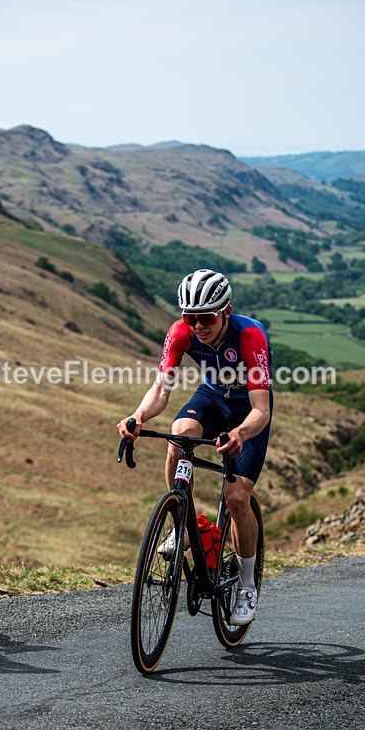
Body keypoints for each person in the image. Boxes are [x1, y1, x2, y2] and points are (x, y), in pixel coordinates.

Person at [117, 268, 272, 625]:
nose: (198, 325)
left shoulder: (250, 336)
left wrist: (240, 434)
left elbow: (261, 409)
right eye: (191, 317)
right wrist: (138, 416)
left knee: (236, 499)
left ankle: (247, 584)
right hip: (212, 398)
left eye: (207, 317)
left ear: (226, 312)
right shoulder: (181, 332)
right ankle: (185, 523)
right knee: (178, 435)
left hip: (247, 410)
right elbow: (161, 389)